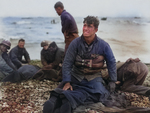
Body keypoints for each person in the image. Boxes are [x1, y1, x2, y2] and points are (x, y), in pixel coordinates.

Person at [43, 16, 117, 113]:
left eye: (89, 26)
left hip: (93, 79)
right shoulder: (75, 43)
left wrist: (113, 80)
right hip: (76, 77)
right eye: (84, 25)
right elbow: (67, 62)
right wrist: (67, 81)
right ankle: (53, 103)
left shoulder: (103, 45)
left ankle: (67, 101)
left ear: (96, 29)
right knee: (62, 90)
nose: (85, 28)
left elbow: (111, 62)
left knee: (99, 95)